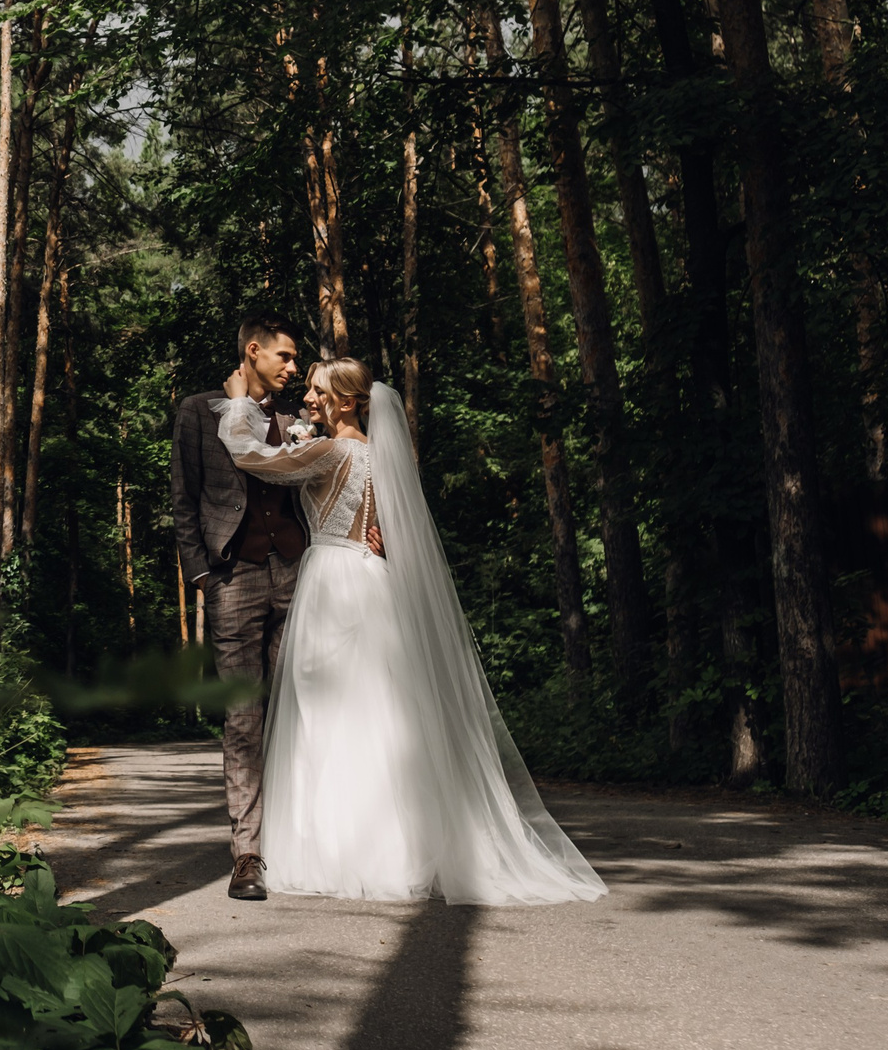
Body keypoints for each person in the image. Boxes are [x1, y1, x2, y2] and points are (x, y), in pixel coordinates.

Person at [212, 356, 605, 906]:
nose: (308, 398)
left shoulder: (331, 451)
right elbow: (393, 529)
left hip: (333, 582)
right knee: (380, 711)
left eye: (318, 391)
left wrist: (237, 405)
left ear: (347, 402)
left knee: (330, 712)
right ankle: (395, 846)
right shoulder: (379, 455)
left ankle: (342, 851)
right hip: (372, 579)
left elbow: (253, 457)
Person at [170, 315, 309, 901]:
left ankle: (304, 842)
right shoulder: (198, 411)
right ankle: (248, 854)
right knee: (243, 717)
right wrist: (201, 573)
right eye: (285, 356)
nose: (294, 368)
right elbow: (184, 497)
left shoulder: (299, 418)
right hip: (233, 577)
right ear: (253, 351)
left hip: (301, 574)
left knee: (302, 708)